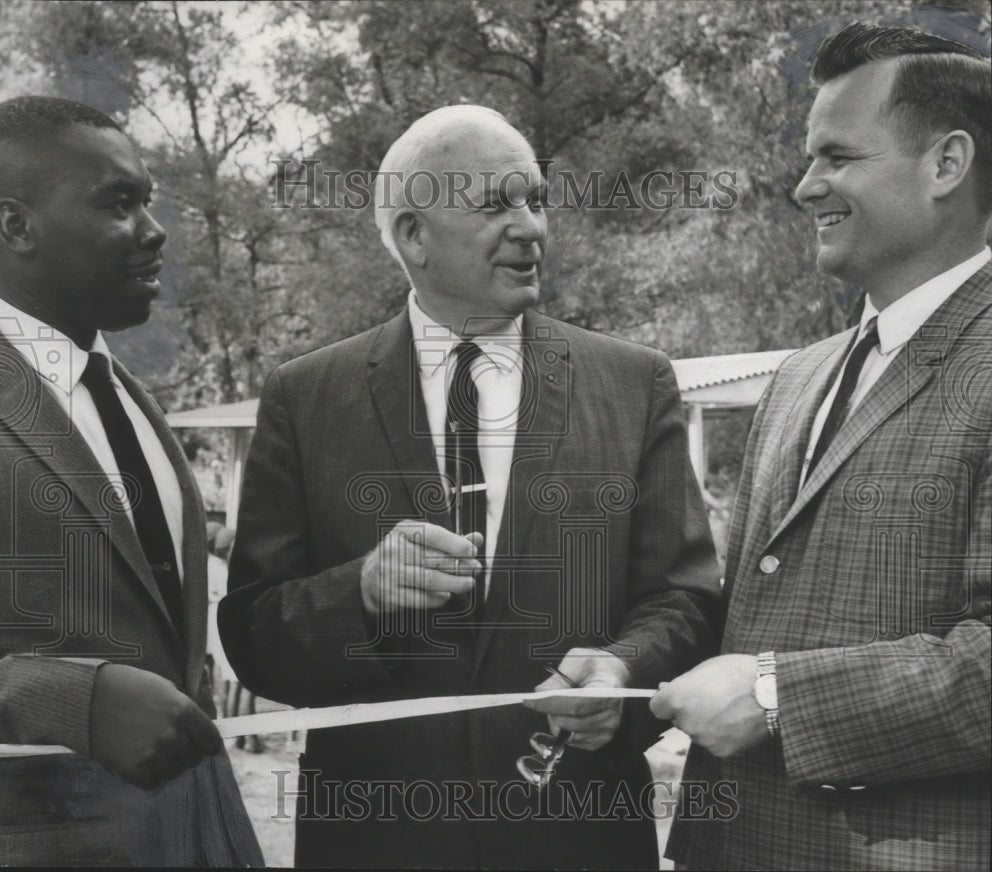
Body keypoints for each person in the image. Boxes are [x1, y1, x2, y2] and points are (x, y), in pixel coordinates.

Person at [220, 104, 722, 869]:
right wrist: (362, 593)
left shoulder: (633, 382)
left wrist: (622, 672)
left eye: (536, 199)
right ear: (412, 235)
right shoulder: (305, 396)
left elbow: (685, 598)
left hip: (577, 833)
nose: (531, 227)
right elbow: (253, 633)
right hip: (375, 838)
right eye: (496, 204)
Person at [652, 22, 991, 871]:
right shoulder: (800, 378)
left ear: (947, 164)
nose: (806, 188)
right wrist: (621, 682)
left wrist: (777, 699)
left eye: (838, 157)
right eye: (809, 160)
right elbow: (753, 614)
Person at [0, 96, 263, 867]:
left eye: (148, 200)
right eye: (118, 204)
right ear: (16, 226)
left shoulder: (129, 399)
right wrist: (71, 702)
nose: (155, 230)